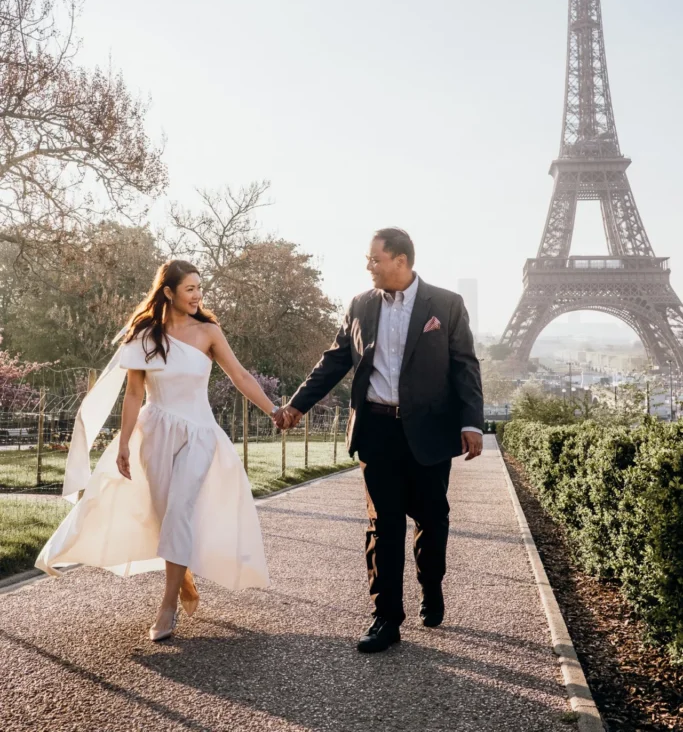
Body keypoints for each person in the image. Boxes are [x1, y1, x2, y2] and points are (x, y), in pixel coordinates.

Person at [36, 259, 281, 641]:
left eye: (200, 288)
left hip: (199, 433)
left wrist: (274, 410)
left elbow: (240, 376)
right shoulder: (143, 335)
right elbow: (134, 393)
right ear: (168, 292)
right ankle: (182, 575)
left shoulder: (209, 332)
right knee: (162, 513)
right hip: (154, 432)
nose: (198, 295)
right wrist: (123, 444)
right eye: (190, 289)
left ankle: (166, 608)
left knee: (180, 507)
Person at [276, 228, 484, 653]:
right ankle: (386, 617)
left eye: (374, 259)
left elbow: (464, 365)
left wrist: (472, 423)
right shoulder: (360, 305)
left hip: (427, 431)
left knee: (432, 520)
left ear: (400, 261)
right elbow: (334, 360)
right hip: (377, 430)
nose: (368, 266)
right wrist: (299, 404)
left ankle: (431, 585)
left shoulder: (445, 304)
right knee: (382, 526)